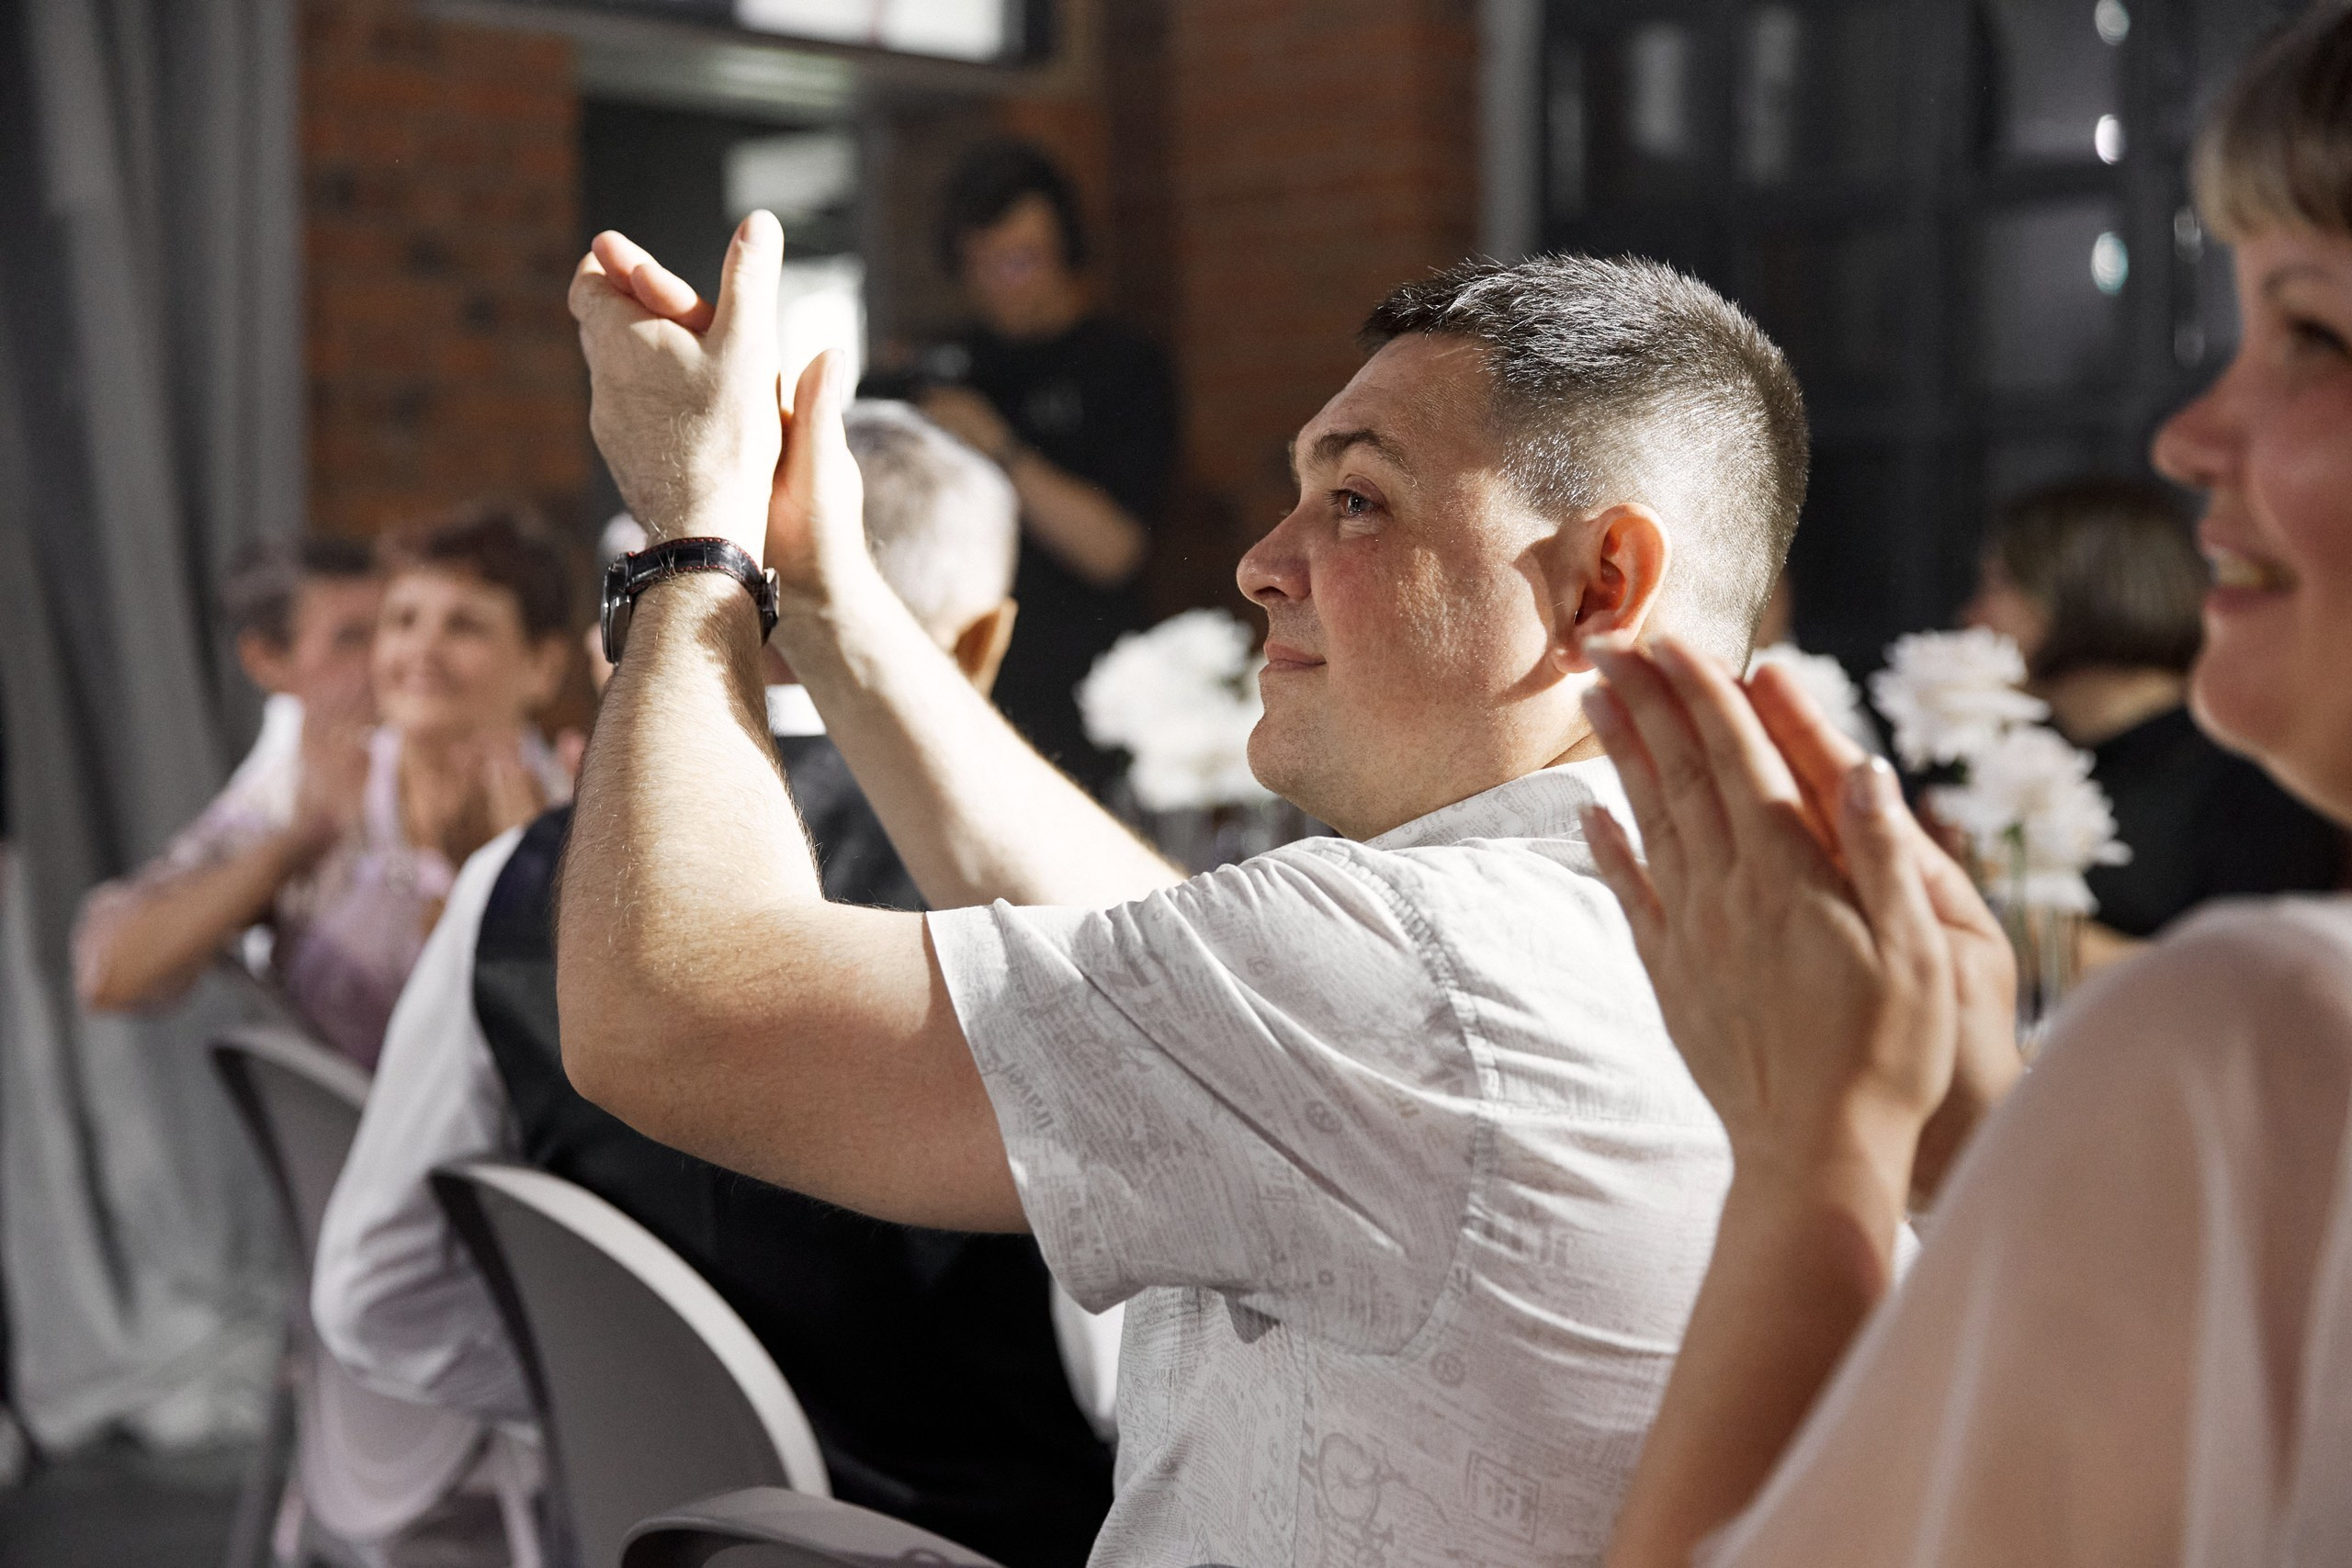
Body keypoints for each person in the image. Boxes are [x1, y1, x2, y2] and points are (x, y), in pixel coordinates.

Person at [557, 209, 1809, 1562]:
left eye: (1357, 499)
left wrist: (696, 543)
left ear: (1599, 583)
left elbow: (667, 1010)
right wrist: (835, 592)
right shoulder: (1722, 932)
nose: (1262, 562)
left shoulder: (1416, 970)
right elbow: (1145, 954)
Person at [1576, 6, 2352, 1561]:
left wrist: (1817, 1147)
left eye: (2317, 334)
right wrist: (1968, 1106)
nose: (2188, 434)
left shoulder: (2267, 1031)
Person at [312, 402, 1117, 1568]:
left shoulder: (515, 881)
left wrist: (647, 1412)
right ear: (978, 643)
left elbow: (376, 1294)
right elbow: (1128, 1377)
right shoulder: (1054, 919)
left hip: (654, 1534)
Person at [82, 506, 574, 1068]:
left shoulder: (576, 815)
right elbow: (110, 969)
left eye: (464, 626)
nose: (422, 651)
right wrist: (296, 845)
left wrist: (523, 876)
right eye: (403, 620)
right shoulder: (308, 790)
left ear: (544, 665)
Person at [1963, 476, 2341, 963]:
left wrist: (2018, 921)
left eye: (1997, 583)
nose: (1971, 613)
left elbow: (2261, 984)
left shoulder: (2247, 773)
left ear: (2075, 589)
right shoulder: (2014, 758)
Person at [904, 140, 1177, 796]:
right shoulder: (942, 368)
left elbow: (1112, 549)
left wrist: (996, 446)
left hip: (1086, 700)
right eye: (981, 264)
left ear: (1065, 252)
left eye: (1020, 261)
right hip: (961, 698)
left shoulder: (1123, 365)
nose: (1001, 284)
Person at [75, 535, 381, 1012]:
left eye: (395, 627)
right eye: (351, 639)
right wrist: (301, 841)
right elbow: (110, 970)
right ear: (265, 660)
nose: (389, 660)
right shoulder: (271, 800)